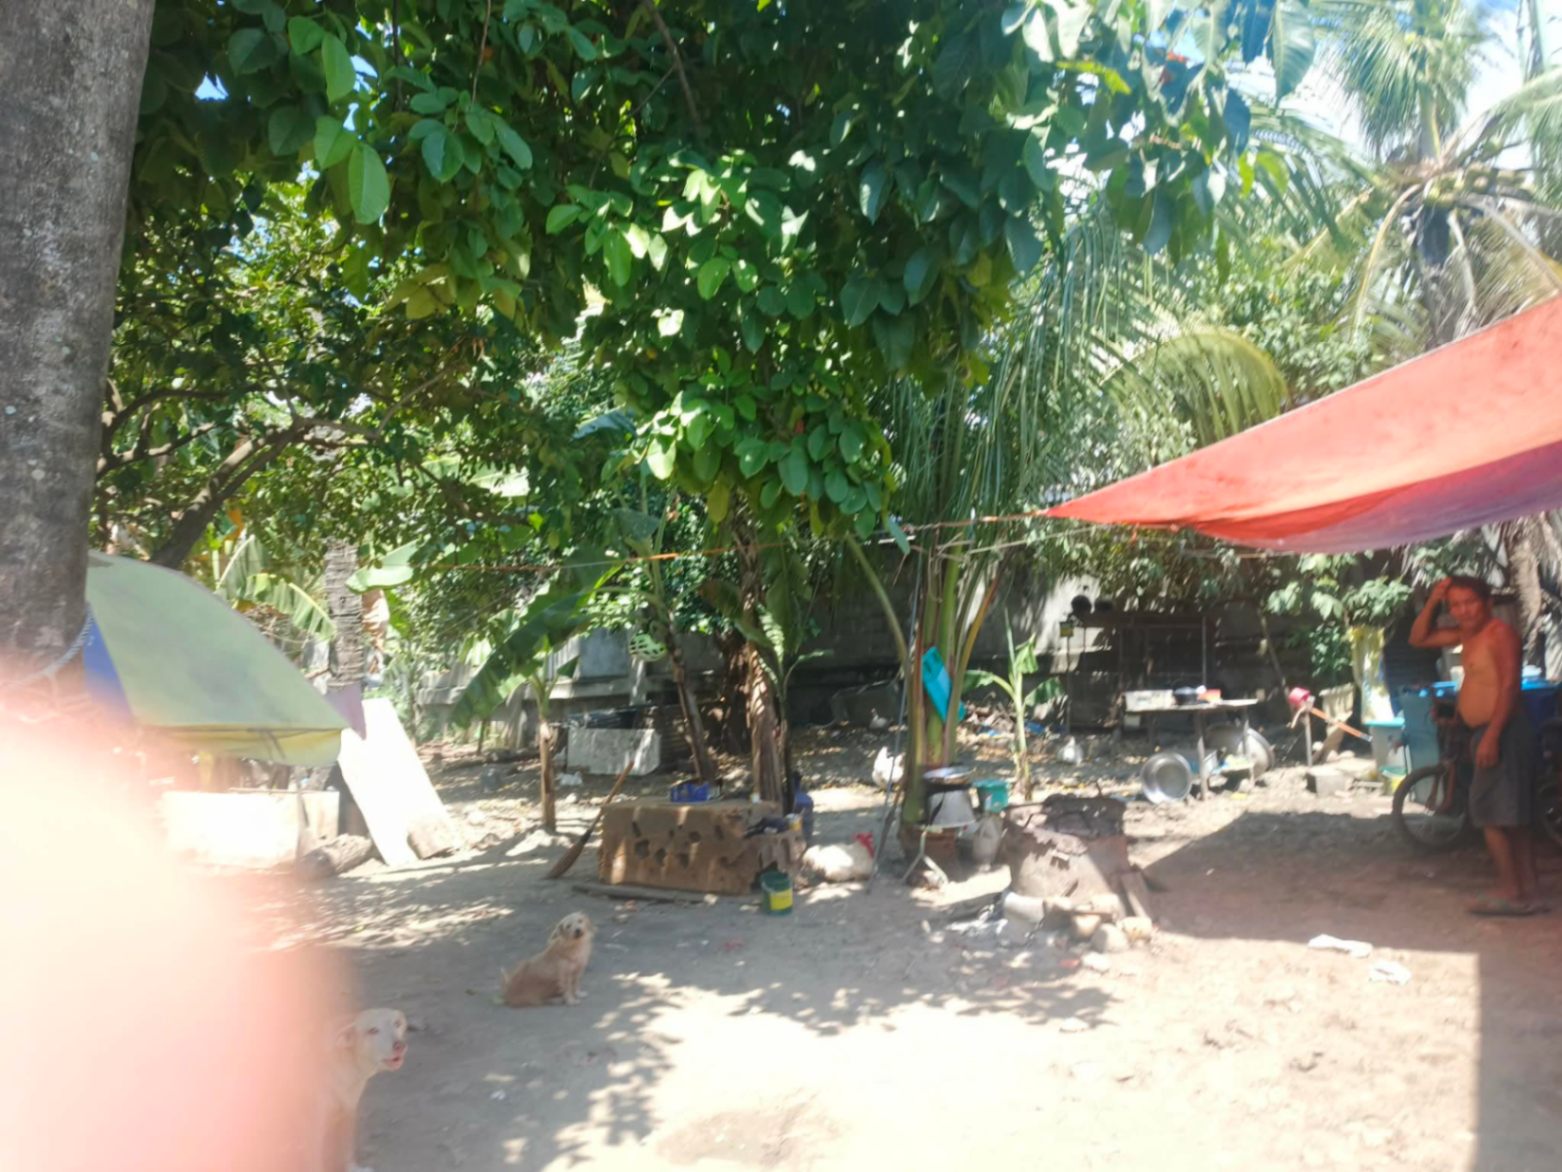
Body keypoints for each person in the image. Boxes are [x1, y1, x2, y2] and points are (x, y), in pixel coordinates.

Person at [1409, 576, 1544, 915]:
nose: (1463, 610)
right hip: (1487, 732)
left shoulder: (1500, 634)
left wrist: (1492, 736)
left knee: (1489, 815)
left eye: (1469, 602)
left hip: (1502, 731)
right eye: (1455, 605)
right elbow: (1418, 638)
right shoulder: (1467, 635)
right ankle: (1528, 892)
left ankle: (1511, 891)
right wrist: (1433, 600)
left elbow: (1510, 686)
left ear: (1487, 603)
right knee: (1514, 817)